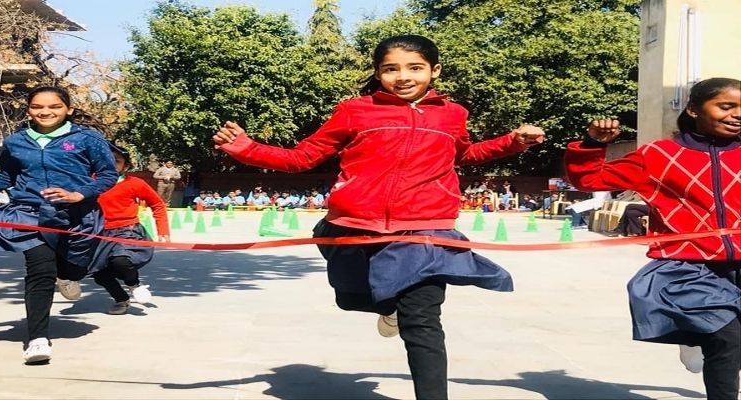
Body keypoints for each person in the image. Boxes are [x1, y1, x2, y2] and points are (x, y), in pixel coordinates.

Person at [213, 35, 545, 399]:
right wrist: (246, 149)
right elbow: (303, 157)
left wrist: (513, 142)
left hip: (424, 231)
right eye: (391, 69)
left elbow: (463, 154)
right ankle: (389, 307)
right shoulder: (355, 110)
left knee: (423, 321)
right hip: (354, 227)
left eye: (415, 68)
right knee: (351, 298)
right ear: (378, 73)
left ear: (434, 70)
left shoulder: (453, 114)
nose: (403, 77)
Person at [564, 77, 740, 399]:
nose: (737, 115)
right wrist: (592, 144)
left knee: (730, 340)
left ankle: (695, 335)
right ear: (693, 109)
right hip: (690, 268)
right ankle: (704, 336)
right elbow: (589, 179)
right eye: (726, 106)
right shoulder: (659, 155)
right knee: (726, 337)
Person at [0, 86, 118, 364]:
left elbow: (108, 174)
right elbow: (7, 177)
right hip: (30, 213)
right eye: (37, 106)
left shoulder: (87, 138)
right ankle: (37, 339)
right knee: (40, 268)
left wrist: (79, 194)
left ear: (69, 109)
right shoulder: (16, 141)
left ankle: (67, 274)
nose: (45, 112)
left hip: (77, 215)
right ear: (28, 110)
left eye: (54, 106)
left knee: (75, 268)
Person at [93, 144, 169, 315]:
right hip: (99, 233)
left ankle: (134, 284)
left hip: (127, 231)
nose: (110, 164)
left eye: (116, 161)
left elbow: (157, 204)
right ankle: (121, 299)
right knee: (99, 274)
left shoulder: (135, 183)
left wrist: (163, 230)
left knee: (120, 260)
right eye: (105, 160)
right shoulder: (90, 183)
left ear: (125, 166)